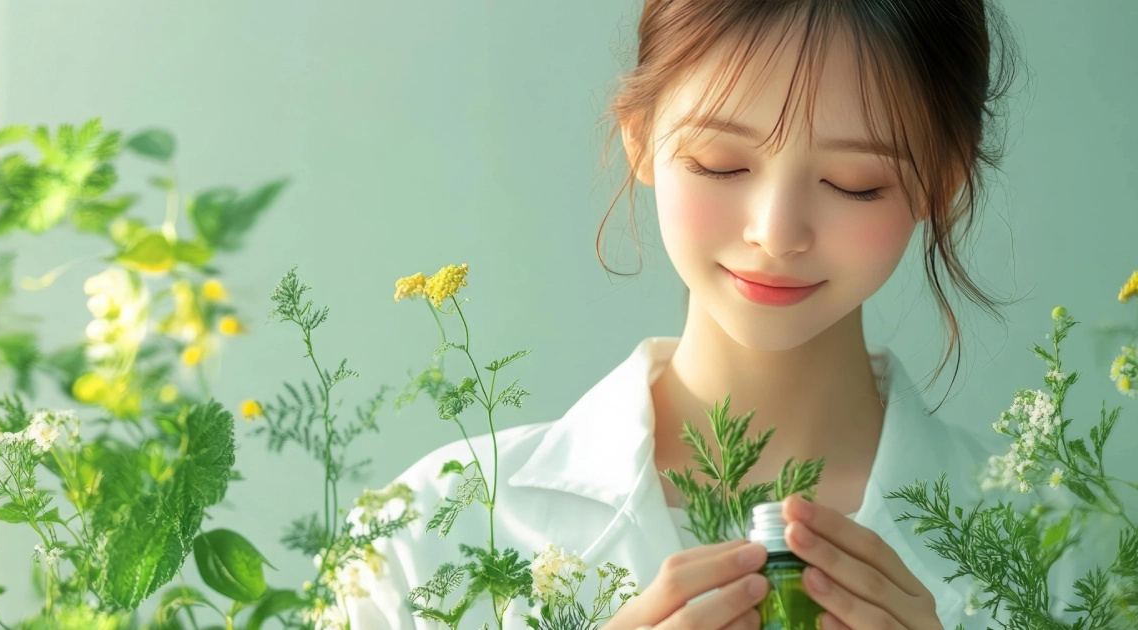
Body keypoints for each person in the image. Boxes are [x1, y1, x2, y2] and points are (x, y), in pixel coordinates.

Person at [348, 1, 1023, 628]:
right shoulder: (431, 529)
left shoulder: (1073, 541)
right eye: (721, 164)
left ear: (942, 182)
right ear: (640, 138)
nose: (777, 231)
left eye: (854, 183)